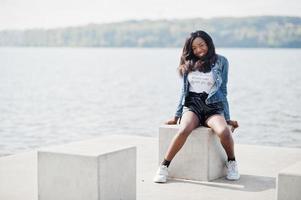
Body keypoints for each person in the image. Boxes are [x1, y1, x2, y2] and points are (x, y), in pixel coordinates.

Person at [153, 30, 240, 183]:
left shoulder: (222, 61)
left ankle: (232, 162)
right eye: (194, 48)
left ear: (208, 43)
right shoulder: (189, 64)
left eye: (201, 45)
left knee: (224, 132)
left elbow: (223, 90)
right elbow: (184, 91)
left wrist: (227, 118)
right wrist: (176, 116)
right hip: (192, 105)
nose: (199, 50)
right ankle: (164, 167)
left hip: (213, 105)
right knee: (184, 129)